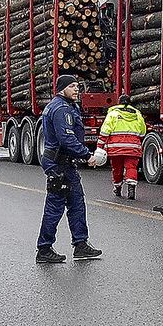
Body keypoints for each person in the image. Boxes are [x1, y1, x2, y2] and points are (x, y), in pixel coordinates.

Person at [36, 75, 104, 264]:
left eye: (77, 86)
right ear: (61, 88)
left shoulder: (64, 105)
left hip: (64, 162)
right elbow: (66, 138)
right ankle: (44, 248)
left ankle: (80, 244)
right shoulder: (61, 108)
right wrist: (87, 155)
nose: (76, 89)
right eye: (72, 86)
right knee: (55, 206)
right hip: (58, 163)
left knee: (76, 203)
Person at [97, 94, 147, 201]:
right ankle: (131, 189)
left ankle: (118, 188)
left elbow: (105, 131)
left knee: (117, 168)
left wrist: (100, 146)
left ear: (119, 103)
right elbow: (142, 132)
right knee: (131, 167)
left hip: (116, 148)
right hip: (133, 147)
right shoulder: (137, 115)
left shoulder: (113, 114)